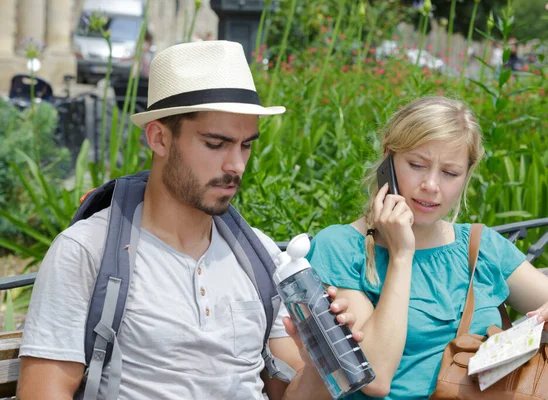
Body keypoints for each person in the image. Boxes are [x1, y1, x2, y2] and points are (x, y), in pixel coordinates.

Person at [17, 40, 361, 399]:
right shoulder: (88, 251)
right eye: (216, 144)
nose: (236, 166)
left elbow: (288, 393)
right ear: (159, 138)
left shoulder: (260, 256)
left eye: (246, 145)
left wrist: (320, 365)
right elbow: (45, 392)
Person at [306, 96, 548, 399]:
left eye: (450, 173)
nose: (431, 185)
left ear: (466, 176)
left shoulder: (479, 247)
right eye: (417, 165)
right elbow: (375, 378)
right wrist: (401, 255)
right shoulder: (341, 248)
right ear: (388, 160)